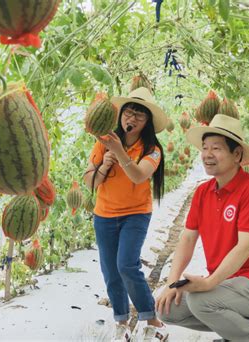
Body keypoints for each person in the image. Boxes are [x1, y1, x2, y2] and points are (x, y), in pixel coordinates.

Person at [155, 114, 249, 342]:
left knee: (200, 300)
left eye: (216, 148)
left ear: (237, 155)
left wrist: (208, 283)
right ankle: (235, 331)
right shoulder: (203, 192)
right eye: (205, 148)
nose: (207, 155)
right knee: (166, 308)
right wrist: (171, 283)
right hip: (226, 283)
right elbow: (187, 240)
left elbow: (245, 247)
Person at [83, 87, 169, 341]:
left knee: (127, 266)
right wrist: (104, 166)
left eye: (139, 117)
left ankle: (151, 318)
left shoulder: (152, 149)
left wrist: (119, 152)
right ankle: (121, 323)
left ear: (147, 122)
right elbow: (89, 181)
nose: (131, 119)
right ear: (121, 114)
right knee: (110, 271)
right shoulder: (102, 141)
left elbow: (139, 175)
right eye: (128, 113)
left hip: (135, 215)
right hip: (104, 215)